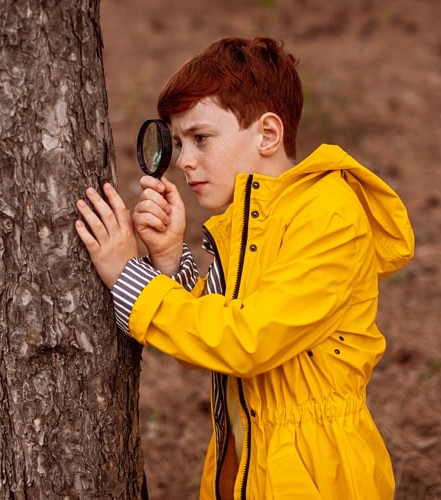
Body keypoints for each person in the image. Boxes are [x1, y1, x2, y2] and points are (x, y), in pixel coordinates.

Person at [74, 36, 414, 500]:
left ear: (268, 134)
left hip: (316, 474)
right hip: (244, 463)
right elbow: (210, 340)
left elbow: (246, 341)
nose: (184, 161)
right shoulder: (249, 223)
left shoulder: (330, 216)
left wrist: (126, 276)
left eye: (201, 138)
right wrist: (170, 260)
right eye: (178, 143)